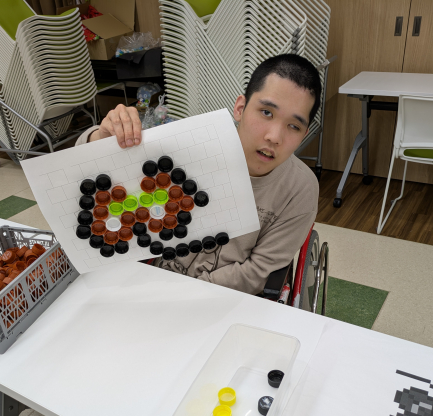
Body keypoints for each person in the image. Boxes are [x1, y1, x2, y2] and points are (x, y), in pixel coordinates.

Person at [76, 54, 320, 295]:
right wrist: (101, 138)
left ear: (304, 134)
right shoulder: (190, 144)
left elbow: (256, 272)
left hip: (219, 299)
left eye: (294, 126)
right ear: (240, 108)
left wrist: (175, 293)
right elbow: (81, 177)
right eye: (266, 112)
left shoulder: (300, 189)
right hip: (146, 279)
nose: (274, 137)